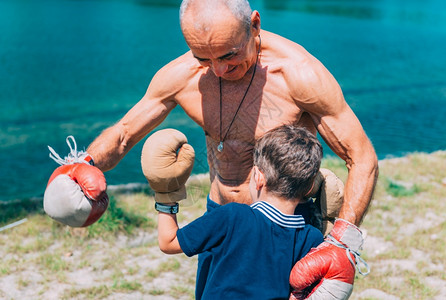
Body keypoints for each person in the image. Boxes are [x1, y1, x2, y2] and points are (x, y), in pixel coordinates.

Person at [45, 0, 378, 298]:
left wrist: (341, 241)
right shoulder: (184, 75)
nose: (219, 69)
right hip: (221, 217)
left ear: (255, 25)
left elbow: (360, 156)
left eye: (230, 55)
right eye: (203, 57)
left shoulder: (298, 74)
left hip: (284, 230)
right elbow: (124, 133)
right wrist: (85, 163)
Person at [157, 125, 324, 299]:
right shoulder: (312, 238)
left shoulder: (231, 216)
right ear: (309, 187)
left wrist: (165, 195)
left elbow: (169, 242)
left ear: (258, 177)